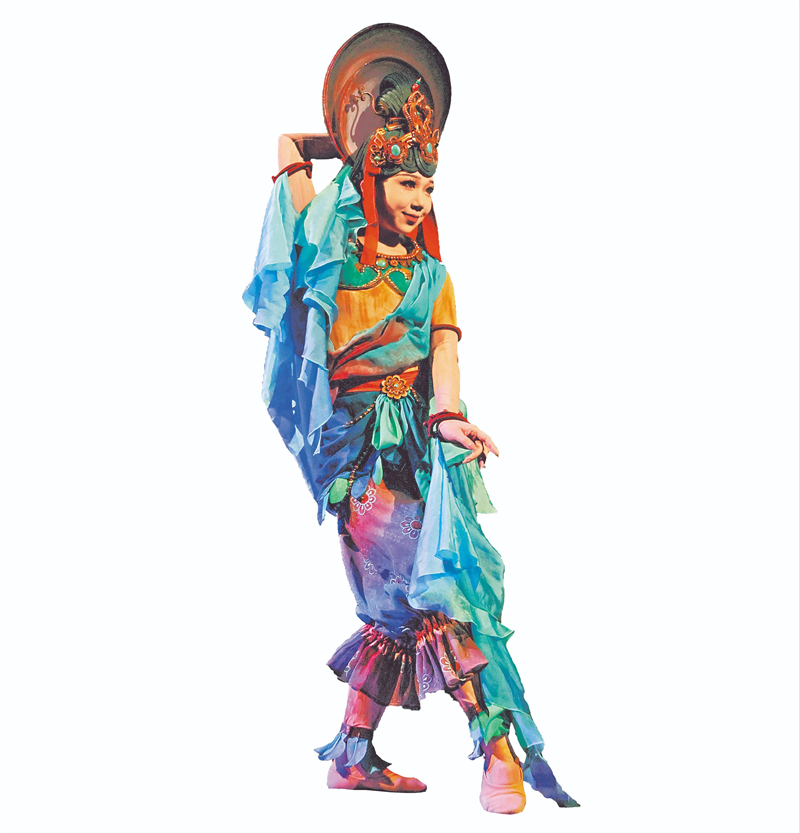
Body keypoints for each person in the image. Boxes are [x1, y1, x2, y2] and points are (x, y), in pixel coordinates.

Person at [243, 58, 577, 816]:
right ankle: (497, 751)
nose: (419, 197)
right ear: (371, 180)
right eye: (405, 181)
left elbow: (445, 355)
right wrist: (351, 136)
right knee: (436, 597)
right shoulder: (328, 255)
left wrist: (448, 414)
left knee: (402, 606)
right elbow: (288, 147)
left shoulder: (433, 275)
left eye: (428, 185)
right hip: (357, 457)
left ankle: (352, 755)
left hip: (421, 456)